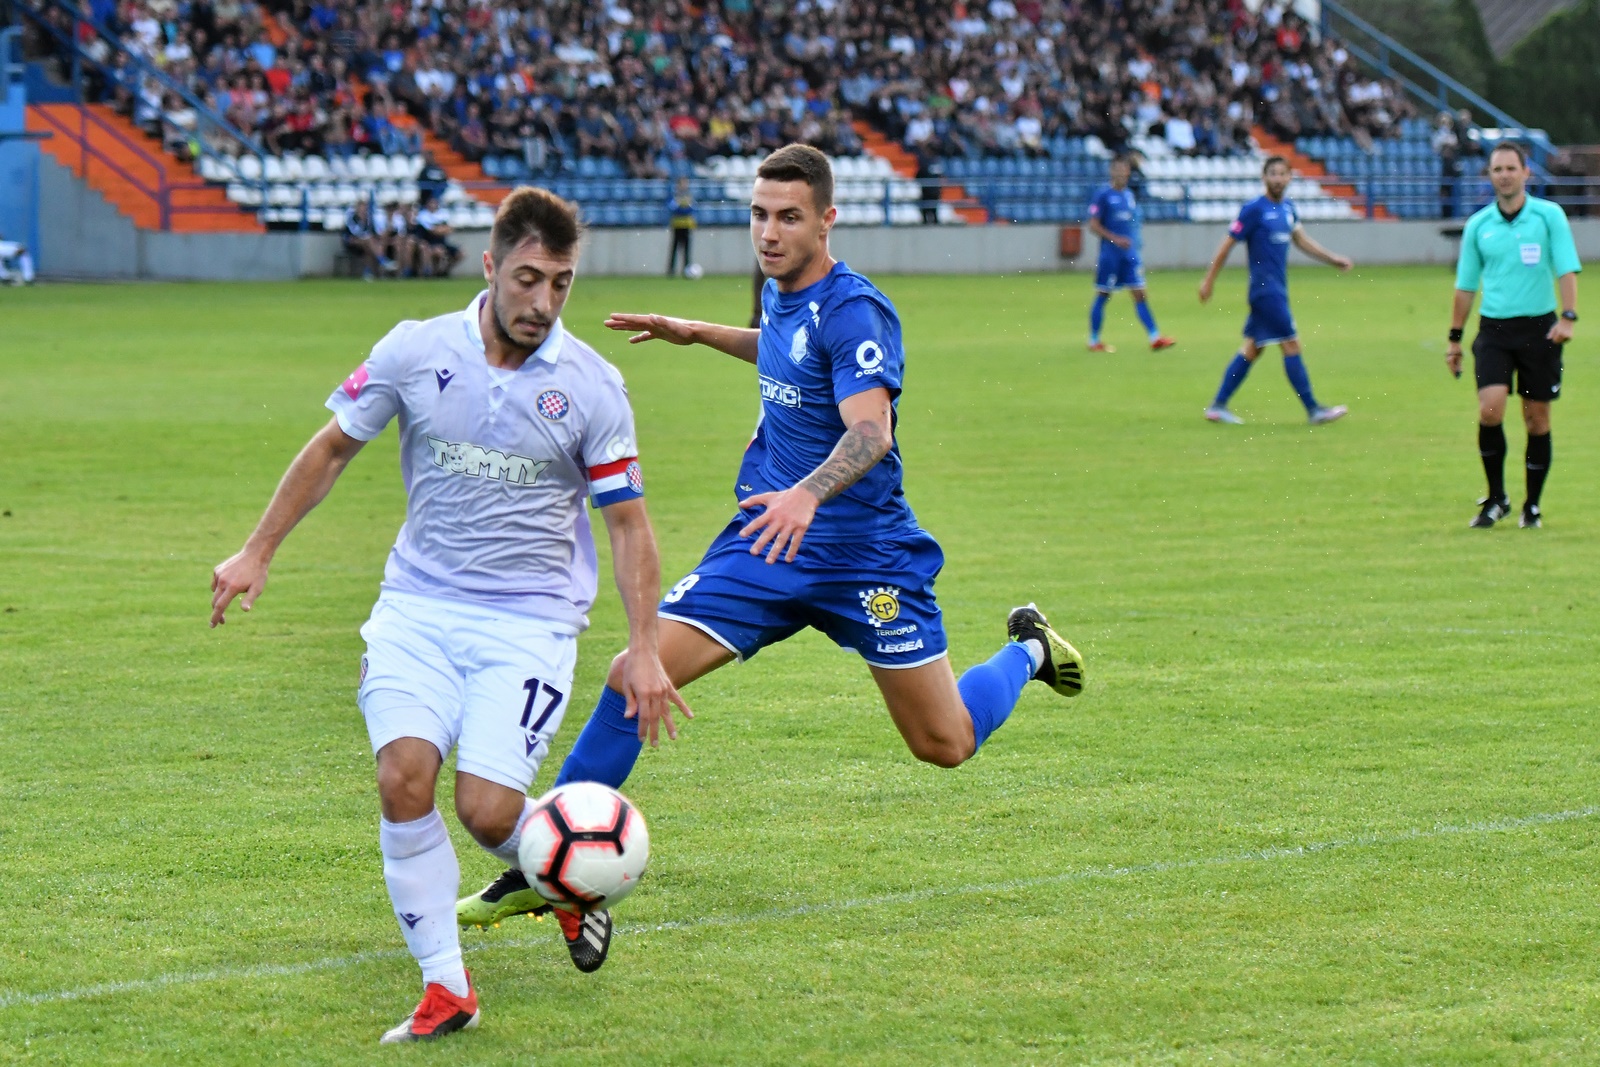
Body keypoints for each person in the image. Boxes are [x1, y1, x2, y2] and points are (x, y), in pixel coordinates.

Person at [455, 144, 1087, 954]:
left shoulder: (858, 310)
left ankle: (1028, 649)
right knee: (632, 672)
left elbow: (869, 430)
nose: (768, 231)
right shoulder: (782, 293)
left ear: (828, 219)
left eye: (789, 216)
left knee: (945, 743)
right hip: (766, 545)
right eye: (759, 214)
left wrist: (807, 492)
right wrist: (696, 332)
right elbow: (784, 350)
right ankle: (546, 870)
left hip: (865, 558)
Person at [209, 188, 687, 1043]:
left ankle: (568, 880)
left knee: (489, 812)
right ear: (490, 266)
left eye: (562, 284)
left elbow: (628, 525)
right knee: (403, 777)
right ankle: (447, 988)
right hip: (417, 608)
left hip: (529, 624)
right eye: (529, 278)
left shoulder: (592, 386)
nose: (543, 302)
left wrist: (645, 646)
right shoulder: (414, 349)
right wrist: (258, 549)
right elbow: (331, 449)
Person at [1447, 141, 1582, 529]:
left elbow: (1566, 268)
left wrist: (1568, 317)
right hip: (1494, 330)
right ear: (1488, 176)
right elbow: (1465, 287)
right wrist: (1455, 338)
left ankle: (1532, 505)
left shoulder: (1548, 216)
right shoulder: (1478, 226)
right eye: (1496, 170)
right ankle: (1496, 498)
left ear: (1527, 173)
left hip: (1541, 329)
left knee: (1536, 419)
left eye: (1510, 168)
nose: (1504, 175)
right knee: (1490, 410)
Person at [1198, 156, 1354, 425]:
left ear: (1290, 177)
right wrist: (1209, 280)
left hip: (1276, 289)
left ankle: (1217, 406)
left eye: (1283, 174)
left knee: (1252, 348)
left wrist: (1332, 258)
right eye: (1273, 174)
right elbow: (1227, 244)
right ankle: (1314, 409)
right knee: (1291, 343)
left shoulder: (1289, 209)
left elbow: (1302, 241)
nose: (1278, 179)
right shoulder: (1254, 210)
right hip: (1265, 291)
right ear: (1264, 177)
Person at [1086, 155, 1175, 353]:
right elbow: (1093, 225)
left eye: (1124, 170)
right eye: (1117, 170)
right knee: (1103, 294)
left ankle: (1155, 337)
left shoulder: (1128, 195)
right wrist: (1115, 239)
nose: (1121, 173)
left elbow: (1131, 224)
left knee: (1140, 293)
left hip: (1129, 255)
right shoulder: (1103, 195)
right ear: (1112, 171)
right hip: (1110, 255)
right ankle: (1093, 340)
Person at [341, 198, 389, 280]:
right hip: (352, 241)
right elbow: (355, 233)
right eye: (362, 207)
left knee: (368, 247)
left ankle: (368, 272)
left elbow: (374, 232)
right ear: (357, 208)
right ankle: (382, 261)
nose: (364, 210)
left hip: (364, 243)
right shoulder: (352, 219)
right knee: (368, 240)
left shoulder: (369, 219)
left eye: (365, 208)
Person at [666, 176, 696, 277]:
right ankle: (671, 270)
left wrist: (681, 208)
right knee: (674, 248)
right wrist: (683, 208)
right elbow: (673, 208)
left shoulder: (688, 195)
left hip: (687, 225)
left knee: (687, 249)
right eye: (683, 183)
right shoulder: (675, 195)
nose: (684, 185)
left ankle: (686, 271)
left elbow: (691, 209)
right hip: (677, 225)